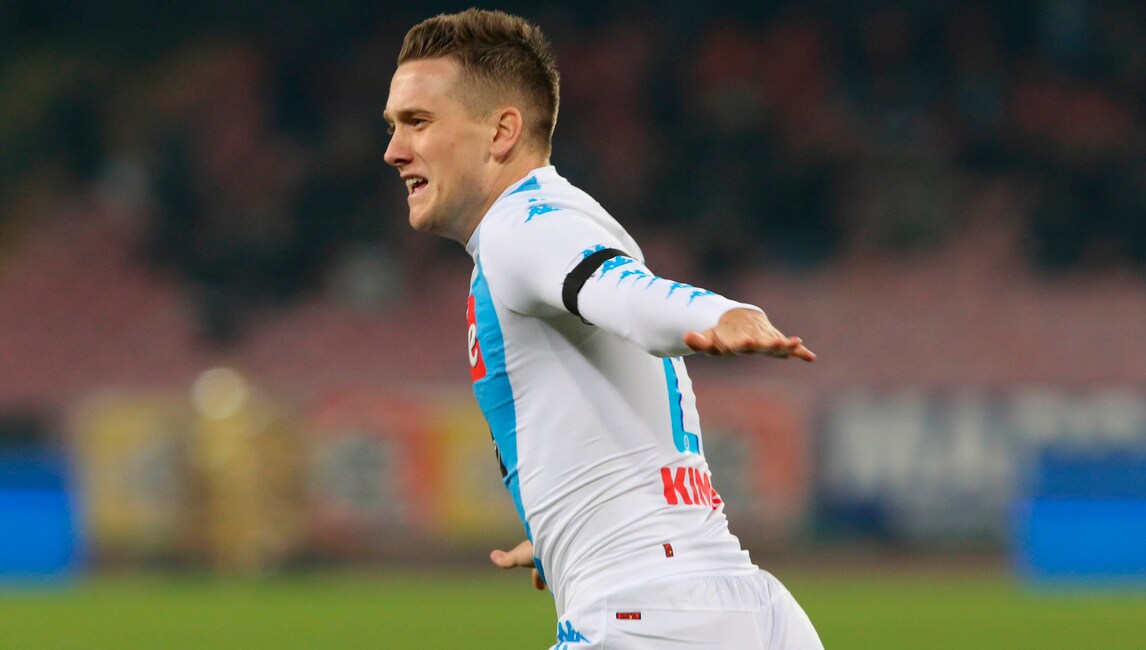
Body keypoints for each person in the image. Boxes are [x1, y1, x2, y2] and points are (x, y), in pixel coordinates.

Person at [383, 9, 823, 649]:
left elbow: (622, 292)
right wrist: (565, 535)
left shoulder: (518, 229)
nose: (394, 150)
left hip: (648, 616)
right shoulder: (558, 216)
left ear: (502, 132)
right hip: (742, 608)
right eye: (394, 126)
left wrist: (715, 313)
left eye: (418, 122)